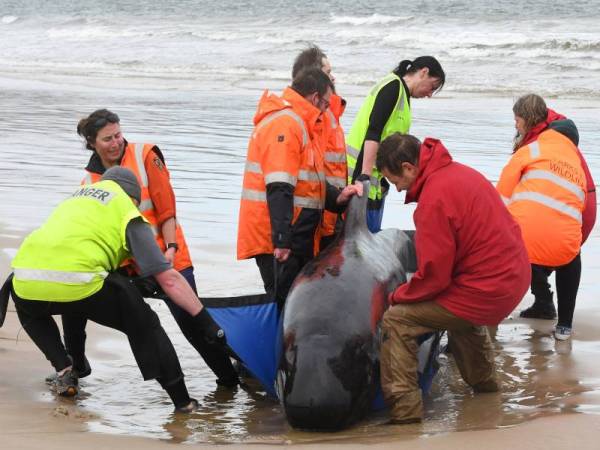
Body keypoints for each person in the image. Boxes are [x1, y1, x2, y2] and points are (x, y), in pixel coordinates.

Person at [9, 167, 225, 412]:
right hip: (80, 281)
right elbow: (169, 279)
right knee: (144, 323)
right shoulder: (127, 210)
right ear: (134, 198)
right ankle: (183, 402)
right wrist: (207, 322)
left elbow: (71, 255)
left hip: (24, 279)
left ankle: (66, 369)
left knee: (48, 303)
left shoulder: (75, 199)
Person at [60, 109, 239, 388]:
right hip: (127, 269)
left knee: (192, 321)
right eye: (108, 138)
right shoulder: (88, 182)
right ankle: (74, 366)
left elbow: (167, 208)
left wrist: (171, 247)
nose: (117, 142)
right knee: (76, 304)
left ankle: (229, 379)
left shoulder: (145, 156)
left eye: (118, 134)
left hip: (166, 255)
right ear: (92, 143)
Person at [375, 133, 530, 424]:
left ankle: (405, 415)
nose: (396, 189)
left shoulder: (433, 201)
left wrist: (398, 295)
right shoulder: (461, 172)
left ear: (409, 167)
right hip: (514, 276)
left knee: (397, 320)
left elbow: (434, 278)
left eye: (394, 181)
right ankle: (486, 389)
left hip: (488, 288)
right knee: (456, 311)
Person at [237, 67, 362, 309]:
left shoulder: (301, 124)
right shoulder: (286, 123)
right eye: (326, 104)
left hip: (293, 232)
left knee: (295, 304)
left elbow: (308, 183)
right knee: (285, 306)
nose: (326, 111)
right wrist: (282, 240)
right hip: (278, 235)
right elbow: (279, 184)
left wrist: (337, 197)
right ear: (315, 98)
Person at [497, 94, 593, 340]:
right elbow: (587, 202)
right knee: (568, 251)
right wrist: (576, 241)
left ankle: (491, 316)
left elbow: (500, 198)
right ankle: (564, 326)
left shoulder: (530, 149)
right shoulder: (575, 158)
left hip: (525, 245)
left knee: (517, 238)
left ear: (527, 121)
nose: (515, 126)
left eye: (516, 120)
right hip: (566, 243)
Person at [346, 56, 445, 233]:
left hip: (375, 182)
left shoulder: (403, 95)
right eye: (432, 87)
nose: (430, 94)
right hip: (360, 179)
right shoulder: (392, 87)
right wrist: (364, 177)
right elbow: (373, 131)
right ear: (424, 72)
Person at [292, 45, 348, 250]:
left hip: (334, 209)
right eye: (327, 73)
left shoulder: (330, 112)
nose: (332, 78)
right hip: (319, 214)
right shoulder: (315, 117)